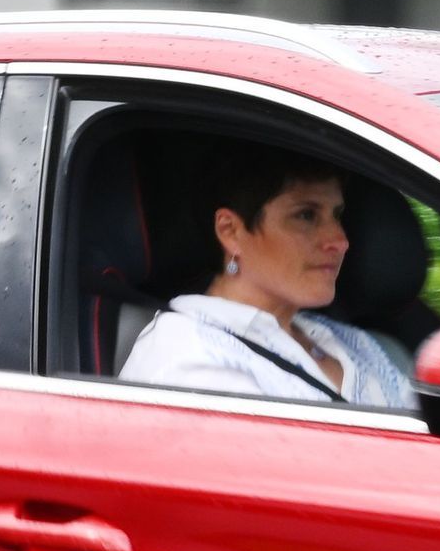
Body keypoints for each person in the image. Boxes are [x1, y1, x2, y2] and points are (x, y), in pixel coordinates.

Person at [119, 142, 420, 411]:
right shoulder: (190, 358)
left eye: (336, 215)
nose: (339, 241)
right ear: (230, 231)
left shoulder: (351, 341)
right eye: (306, 215)